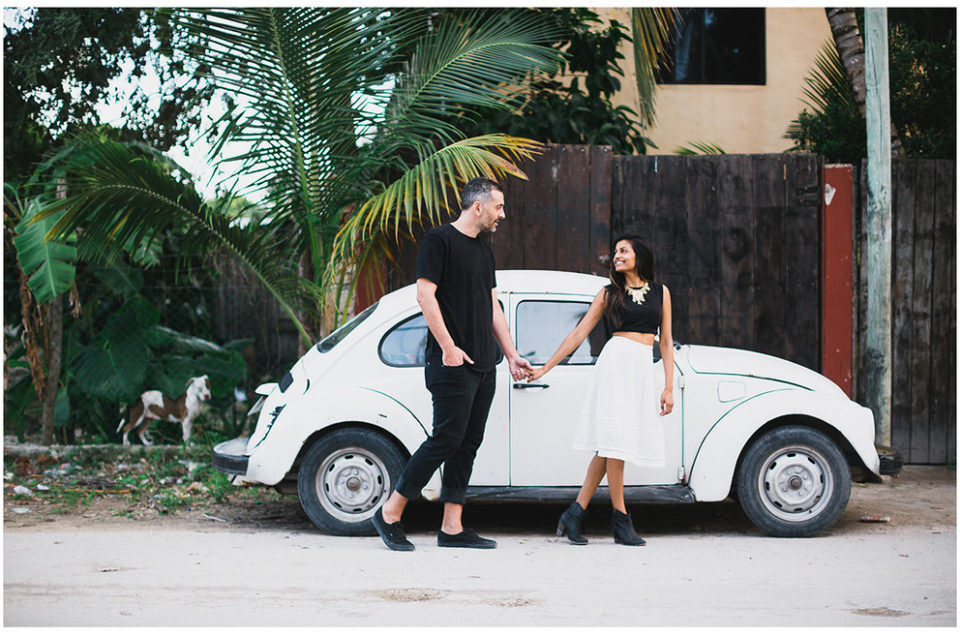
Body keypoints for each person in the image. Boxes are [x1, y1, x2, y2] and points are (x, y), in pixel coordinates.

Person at [372, 177, 533, 552]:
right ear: (478, 207)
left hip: (483, 363)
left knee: (468, 444)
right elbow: (424, 295)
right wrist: (448, 347)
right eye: (499, 207)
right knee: (445, 439)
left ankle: (452, 527)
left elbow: (492, 306)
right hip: (450, 362)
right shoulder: (439, 241)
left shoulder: (484, 251)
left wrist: (509, 354)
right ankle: (390, 513)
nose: (502, 215)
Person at [526, 235, 674, 546]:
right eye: (616, 252)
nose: (617, 256)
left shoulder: (661, 293)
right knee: (615, 444)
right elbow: (579, 333)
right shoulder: (609, 293)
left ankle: (575, 513)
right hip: (615, 363)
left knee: (609, 445)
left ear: (640, 255)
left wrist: (669, 386)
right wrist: (545, 368)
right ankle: (621, 520)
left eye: (624, 251)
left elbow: (665, 342)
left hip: (641, 368)